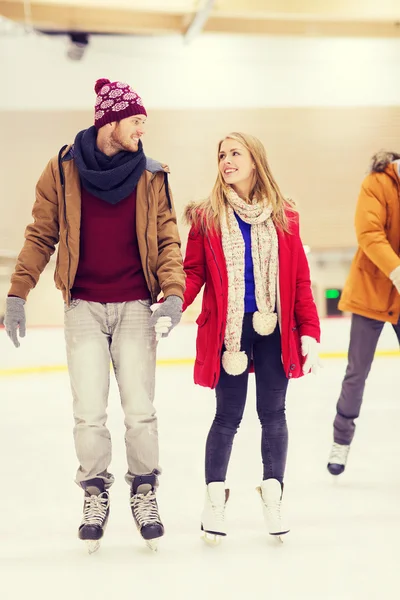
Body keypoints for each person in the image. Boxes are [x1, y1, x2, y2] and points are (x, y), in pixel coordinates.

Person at [4, 78, 185, 553]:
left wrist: (173, 292)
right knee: (88, 414)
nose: (142, 130)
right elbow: (41, 234)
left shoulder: (151, 173)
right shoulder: (62, 170)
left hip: (135, 306)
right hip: (82, 304)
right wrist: (18, 292)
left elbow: (168, 238)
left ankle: (145, 491)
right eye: (136, 121)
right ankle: (95, 493)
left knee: (140, 412)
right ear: (111, 120)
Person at [179, 132, 320, 543]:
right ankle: (214, 501)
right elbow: (193, 273)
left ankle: (273, 494)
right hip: (229, 333)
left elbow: (299, 280)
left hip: (274, 329)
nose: (226, 160)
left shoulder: (284, 215)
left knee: (273, 415)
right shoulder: (206, 217)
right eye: (221, 155)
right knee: (227, 417)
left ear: (255, 160)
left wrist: (309, 330)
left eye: (235, 153)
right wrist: (173, 302)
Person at [327, 151, 400, 476]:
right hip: (373, 288)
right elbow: (369, 233)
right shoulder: (377, 183)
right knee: (357, 372)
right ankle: (341, 442)